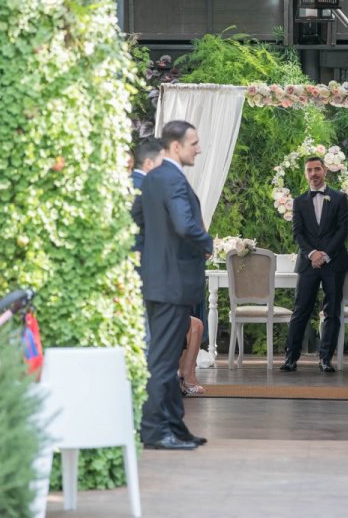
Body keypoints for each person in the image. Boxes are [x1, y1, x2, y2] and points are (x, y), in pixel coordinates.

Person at [138, 120, 213, 451]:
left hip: (156, 280)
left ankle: (174, 426)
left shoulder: (152, 178)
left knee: (164, 358)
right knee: (164, 361)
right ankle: (155, 431)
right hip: (172, 283)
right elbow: (185, 225)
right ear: (176, 146)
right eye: (193, 143)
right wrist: (207, 242)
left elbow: (138, 222)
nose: (198, 148)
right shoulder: (173, 180)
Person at [280, 157, 348, 373]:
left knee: (332, 312)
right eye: (309, 170)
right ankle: (291, 358)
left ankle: (325, 359)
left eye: (317, 169)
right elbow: (297, 233)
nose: (314, 173)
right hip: (308, 263)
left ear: (325, 171)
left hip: (334, 263)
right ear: (305, 174)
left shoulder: (340, 198)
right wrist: (312, 254)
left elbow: (342, 231)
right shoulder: (300, 201)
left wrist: (325, 254)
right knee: (301, 310)